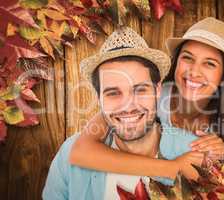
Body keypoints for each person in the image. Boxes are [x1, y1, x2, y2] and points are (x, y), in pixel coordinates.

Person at [69, 17, 224, 177]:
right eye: (188, 58)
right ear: (176, 62)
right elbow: (81, 152)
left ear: (223, 76)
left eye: (209, 63)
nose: (194, 71)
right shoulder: (147, 97)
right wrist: (172, 168)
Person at [43, 27, 205, 200]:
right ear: (99, 99)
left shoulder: (193, 151)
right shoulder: (69, 155)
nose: (128, 106)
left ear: (157, 90)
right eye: (113, 93)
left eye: (140, 90)